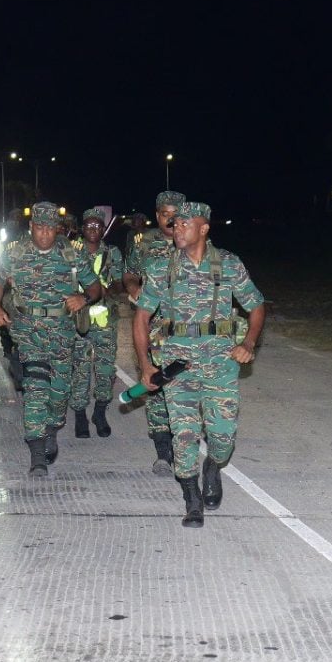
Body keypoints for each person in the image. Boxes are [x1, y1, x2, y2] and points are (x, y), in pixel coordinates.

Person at [132, 201, 266, 528]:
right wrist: (145, 365)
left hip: (221, 361)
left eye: (184, 224)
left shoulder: (229, 265)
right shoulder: (162, 268)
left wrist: (248, 343)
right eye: (174, 224)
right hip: (178, 362)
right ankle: (191, 499)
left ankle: (213, 467)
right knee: (185, 433)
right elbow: (141, 318)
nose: (176, 229)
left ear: (203, 228)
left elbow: (257, 305)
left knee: (223, 436)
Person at [0, 202, 100, 476]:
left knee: (59, 394)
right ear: (31, 227)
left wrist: (83, 297)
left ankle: (51, 429)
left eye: (50, 229)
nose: (44, 234)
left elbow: (96, 287)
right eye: (39, 228)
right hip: (27, 331)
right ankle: (37, 451)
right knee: (35, 389)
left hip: (63, 334)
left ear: (58, 229)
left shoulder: (72, 255)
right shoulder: (14, 252)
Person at [124, 191, 184, 475]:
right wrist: (134, 287)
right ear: (156, 214)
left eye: (174, 214)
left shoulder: (195, 239)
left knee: (186, 385)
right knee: (156, 383)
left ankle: (184, 440)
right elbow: (130, 272)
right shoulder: (144, 242)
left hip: (186, 327)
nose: (169, 219)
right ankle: (163, 450)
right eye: (163, 214)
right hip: (152, 324)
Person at [68, 208, 124, 438]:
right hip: (77, 321)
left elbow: (120, 283)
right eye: (89, 226)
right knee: (79, 370)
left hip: (104, 322)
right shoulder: (72, 251)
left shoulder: (113, 253)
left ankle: (100, 412)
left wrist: (110, 289)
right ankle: (80, 415)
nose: (93, 229)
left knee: (105, 370)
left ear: (103, 229)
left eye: (97, 226)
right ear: (82, 229)